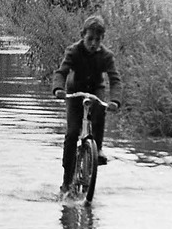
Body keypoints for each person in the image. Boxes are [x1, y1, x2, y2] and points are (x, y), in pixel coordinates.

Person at [52, 15, 122, 192]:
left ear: (102, 40)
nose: (93, 44)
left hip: (96, 90)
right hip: (75, 92)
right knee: (72, 133)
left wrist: (115, 100)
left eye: (97, 40)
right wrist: (58, 89)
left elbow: (115, 80)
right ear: (82, 35)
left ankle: (97, 149)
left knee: (99, 110)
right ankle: (67, 179)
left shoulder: (106, 56)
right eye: (90, 39)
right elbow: (61, 72)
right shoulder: (73, 51)